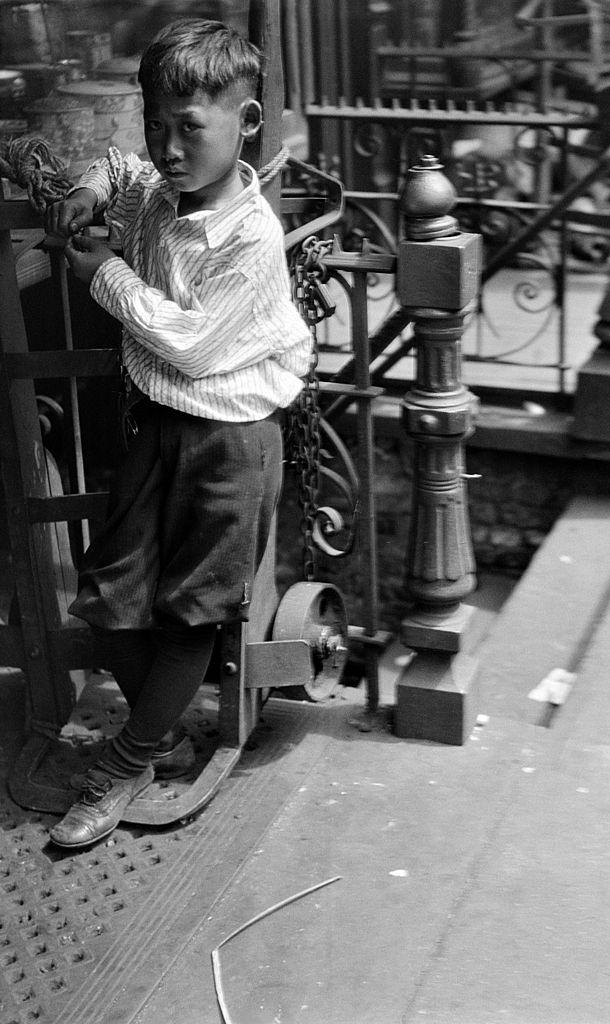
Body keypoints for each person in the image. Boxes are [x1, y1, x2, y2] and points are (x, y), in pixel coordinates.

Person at [46, 17, 310, 848]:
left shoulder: (251, 235)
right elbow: (122, 168)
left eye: (190, 128)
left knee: (191, 614)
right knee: (110, 592)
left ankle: (128, 760)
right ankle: (147, 741)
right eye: (156, 123)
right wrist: (91, 190)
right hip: (162, 426)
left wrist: (107, 276)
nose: (166, 147)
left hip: (231, 442)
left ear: (248, 124)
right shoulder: (161, 187)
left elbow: (193, 346)